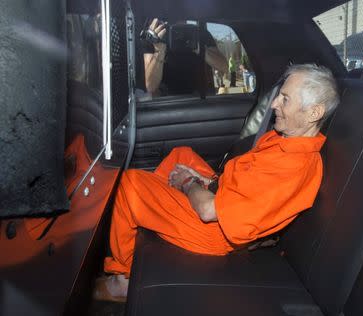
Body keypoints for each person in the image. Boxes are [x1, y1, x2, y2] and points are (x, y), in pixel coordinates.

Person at [93, 64, 340, 302]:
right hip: (223, 199)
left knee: (130, 184)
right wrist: (207, 181)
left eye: (285, 99)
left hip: (213, 232)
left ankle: (122, 280)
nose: (274, 103)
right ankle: (153, 213)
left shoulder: (293, 166)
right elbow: (242, 183)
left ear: (314, 113)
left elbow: (209, 211)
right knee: (181, 154)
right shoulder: (285, 140)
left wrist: (189, 182)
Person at [142, 18, 228, 96]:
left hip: (199, 99)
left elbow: (224, 67)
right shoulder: (157, 36)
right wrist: (159, 51)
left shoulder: (199, 33)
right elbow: (150, 86)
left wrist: (199, 48)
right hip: (166, 102)